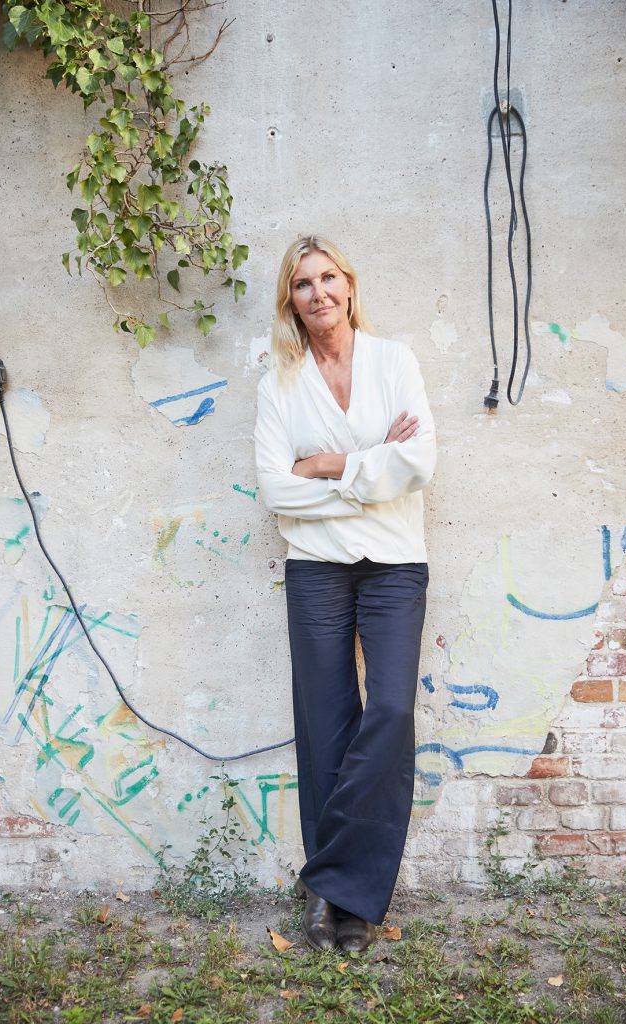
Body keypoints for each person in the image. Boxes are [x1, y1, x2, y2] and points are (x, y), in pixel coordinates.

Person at [254, 235, 436, 952]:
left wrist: (327, 468)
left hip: (394, 564)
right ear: (290, 299)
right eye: (303, 283)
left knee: (388, 710)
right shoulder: (279, 381)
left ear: (350, 287)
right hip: (316, 569)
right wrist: (368, 476)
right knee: (324, 725)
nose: (318, 292)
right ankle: (341, 909)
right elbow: (274, 491)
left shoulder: (394, 362)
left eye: (328, 277)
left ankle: (334, 883)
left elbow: (418, 461)